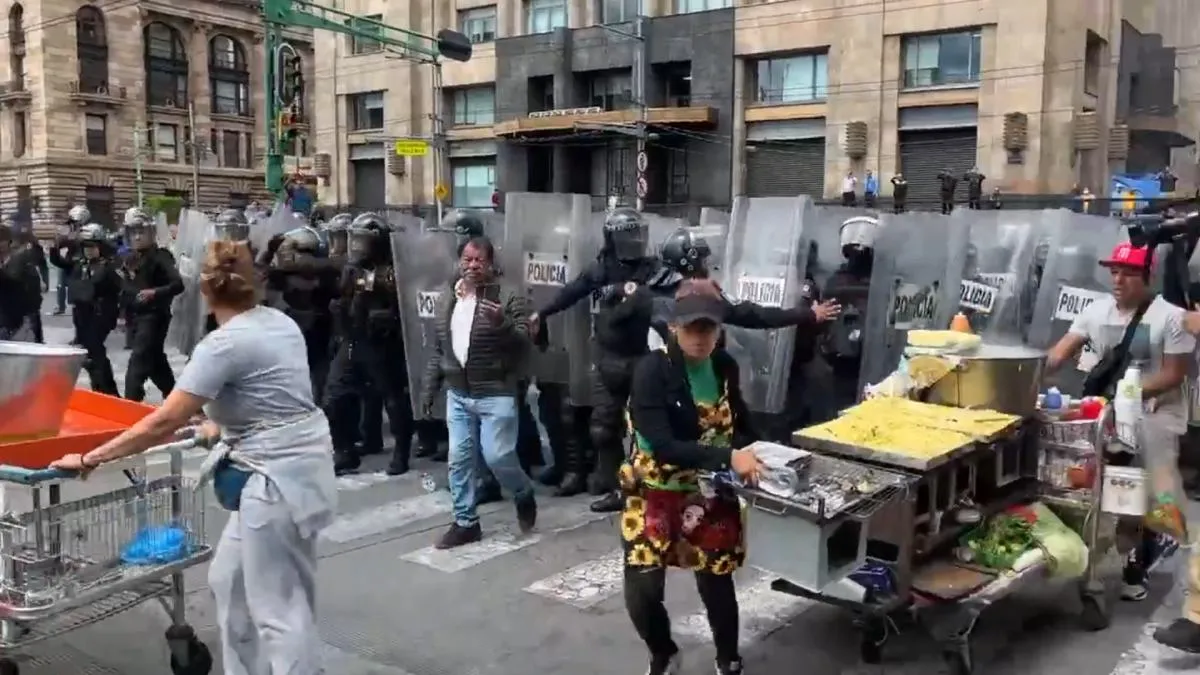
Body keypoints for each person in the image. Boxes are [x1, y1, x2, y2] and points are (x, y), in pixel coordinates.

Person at [51, 239, 336, 675]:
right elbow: (277, 398)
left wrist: (90, 459)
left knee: (279, 607)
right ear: (254, 284)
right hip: (290, 468)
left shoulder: (224, 345)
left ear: (205, 291)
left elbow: (162, 422)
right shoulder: (278, 323)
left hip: (277, 479)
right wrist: (218, 428)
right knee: (230, 582)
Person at [621, 278, 763, 675]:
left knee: (716, 582)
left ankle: (728, 657)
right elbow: (662, 443)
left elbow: (742, 425)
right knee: (643, 592)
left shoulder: (724, 367)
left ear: (719, 331)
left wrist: (770, 454)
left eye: (709, 329)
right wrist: (728, 456)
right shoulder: (652, 370)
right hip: (655, 493)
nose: (700, 338)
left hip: (710, 492)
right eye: (691, 329)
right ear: (673, 329)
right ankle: (662, 651)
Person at [1046, 242, 1193, 602]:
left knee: (1140, 487)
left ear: (1147, 276)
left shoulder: (1171, 317)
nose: (1118, 279)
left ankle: (1139, 555)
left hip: (1156, 411)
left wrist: (1128, 392)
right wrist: (1024, 375)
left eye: (1128, 272)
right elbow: (1058, 354)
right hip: (1107, 410)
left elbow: (1174, 374)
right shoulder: (1094, 312)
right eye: (1114, 271)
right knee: (1091, 481)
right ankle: (1104, 543)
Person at [421, 236, 537, 549]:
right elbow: (439, 348)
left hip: (495, 392)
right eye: (468, 259)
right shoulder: (449, 296)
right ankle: (465, 522)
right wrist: (429, 390)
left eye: (479, 260)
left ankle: (523, 492)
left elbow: (526, 340)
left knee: (498, 456)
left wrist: (502, 324)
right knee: (458, 459)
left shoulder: (508, 295)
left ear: (490, 263)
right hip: (458, 393)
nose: (473, 266)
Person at [120, 207, 184, 403]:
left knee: (138, 361)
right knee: (156, 361)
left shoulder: (161, 256)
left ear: (151, 232)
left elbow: (178, 284)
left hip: (155, 316)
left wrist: (154, 292)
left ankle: (130, 405)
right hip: (135, 317)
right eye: (133, 232)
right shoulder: (129, 258)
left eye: (142, 232)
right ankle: (175, 399)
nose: (137, 237)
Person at [50, 223, 121, 395]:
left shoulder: (108, 266)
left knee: (95, 350)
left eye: (92, 246)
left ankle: (108, 391)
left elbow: (114, 288)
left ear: (100, 246)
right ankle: (99, 388)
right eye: (85, 246)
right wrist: (57, 245)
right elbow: (59, 262)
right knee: (88, 354)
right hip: (81, 313)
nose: (89, 250)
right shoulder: (79, 263)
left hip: (100, 313)